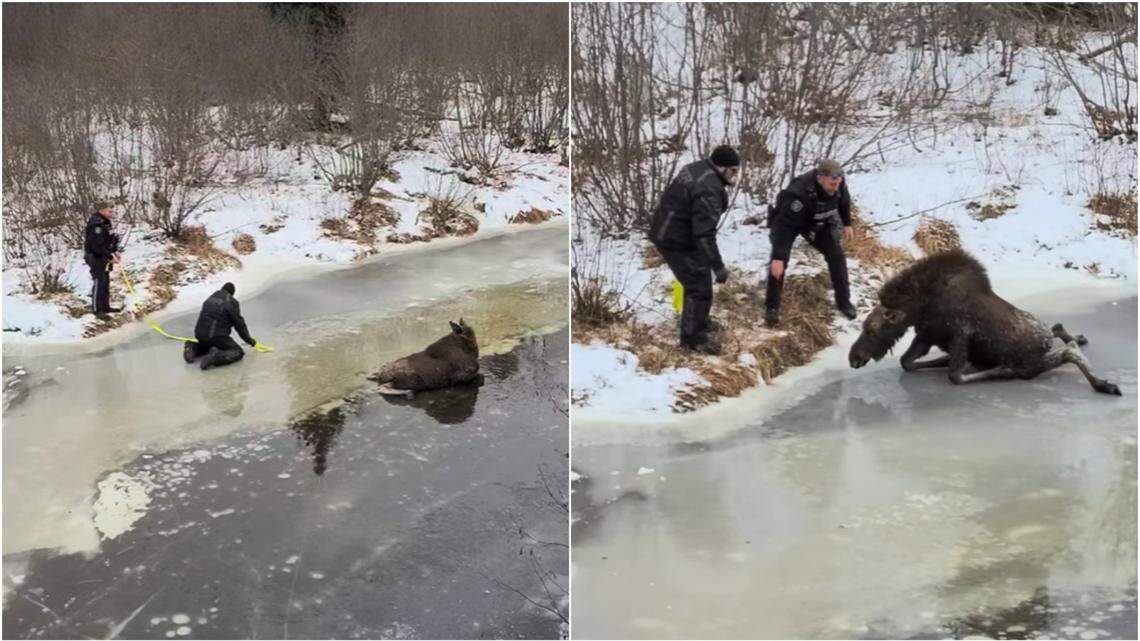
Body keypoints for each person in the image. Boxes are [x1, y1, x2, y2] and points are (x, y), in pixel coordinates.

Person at [648, 145, 739, 354]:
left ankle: (701, 323)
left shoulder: (699, 168)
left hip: (673, 229)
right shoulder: (709, 189)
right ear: (722, 168)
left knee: (700, 276)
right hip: (673, 238)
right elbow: (705, 233)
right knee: (697, 285)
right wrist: (718, 266)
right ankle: (691, 340)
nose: (735, 176)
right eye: (733, 171)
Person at [765, 159, 858, 327]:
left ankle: (844, 302)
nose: (835, 187)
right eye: (831, 184)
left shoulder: (838, 184)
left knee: (836, 256)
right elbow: (784, 227)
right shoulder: (798, 194)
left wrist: (847, 223)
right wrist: (778, 257)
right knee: (778, 264)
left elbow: (844, 202)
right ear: (819, 178)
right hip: (789, 223)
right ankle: (772, 307)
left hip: (816, 222)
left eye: (838, 184)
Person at [183, 282, 258, 370]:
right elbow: (240, 325)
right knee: (238, 352)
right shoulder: (232, 302)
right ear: (232, 293)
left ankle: (192, 347)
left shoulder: (210, 298)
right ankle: (215, 357)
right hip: (216, 336)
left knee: (207, 346)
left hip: (200, 334)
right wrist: (250, 341)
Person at [83, 202, 122, 316]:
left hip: (104, 255)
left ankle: (105, 307)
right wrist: (110, 257)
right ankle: (97, 310)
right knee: (99, 281)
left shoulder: (106, 222)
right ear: (102, 210)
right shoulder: (96, 224)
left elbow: (110, 239)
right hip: (95, 256)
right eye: (109, 211)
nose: (111, 214)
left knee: (105, 281)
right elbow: (97, 246)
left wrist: (114, 251)